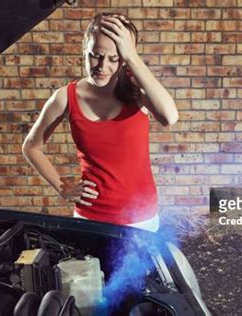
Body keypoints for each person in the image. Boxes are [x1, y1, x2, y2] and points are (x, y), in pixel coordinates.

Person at [22, 12, 178, 233]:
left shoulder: (137, 91)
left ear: (125, 58)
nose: (102, 66)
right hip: (90, 217)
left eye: (114, 59)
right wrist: (63, 188)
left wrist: (133, 57)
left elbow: (170, 117)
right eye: (95, 55)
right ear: (85, 49)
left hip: (140, 217)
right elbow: (31, 146)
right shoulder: (65, 97)